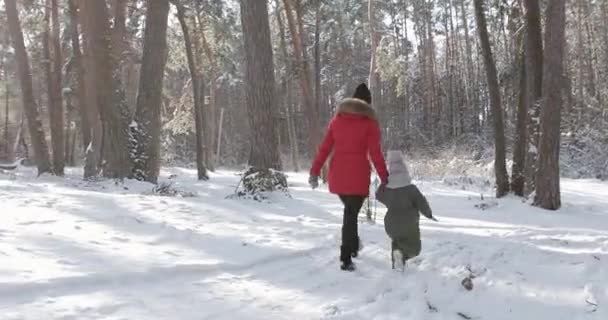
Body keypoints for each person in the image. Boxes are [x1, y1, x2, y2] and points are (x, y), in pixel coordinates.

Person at [309, 83, 388, 272]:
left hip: (337, 175)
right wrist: (385, 177)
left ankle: (352, 246)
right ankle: (346, 257)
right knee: (350, 215)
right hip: (358, 175)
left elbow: (325, 148)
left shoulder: (337, 120)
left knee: (350, 213)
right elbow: (375, 154)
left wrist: (314, 171)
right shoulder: (369, 123)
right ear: (368, 104)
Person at [376, 150, 436, 270]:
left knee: (397, 242)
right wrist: (429, 214)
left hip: (391, 224)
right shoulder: (411, 189)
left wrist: (383, 184)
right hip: (409, 223)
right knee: (415, 248)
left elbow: (378, 196)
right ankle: (402, 256)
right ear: (404, 169)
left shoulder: (387, 188)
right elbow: (421, 203)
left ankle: (398, 262)